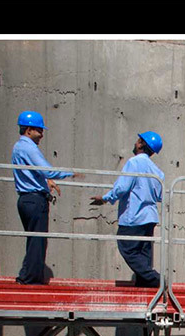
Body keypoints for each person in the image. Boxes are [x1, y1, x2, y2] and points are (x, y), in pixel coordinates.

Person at [89, 131, 165, 288]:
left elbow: (122, 188)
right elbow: (159, 196)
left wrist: (105, 198)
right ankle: (145, 286)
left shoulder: (134, 162)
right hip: (149, 217)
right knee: (143, 255)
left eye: (138, 140)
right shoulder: (157, 171)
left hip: (134, 216)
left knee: (128, 248)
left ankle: (156, 279)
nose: (135, 143)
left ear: (141, 144)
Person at [11, 110, 75, 284]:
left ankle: (32, 276)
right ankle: (28, 278)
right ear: (29, 130)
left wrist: (47, 181)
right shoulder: (28, 148)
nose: (41, 135)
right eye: (39, 130)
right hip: (34, 199)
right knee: (37, 241)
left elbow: (31, 174)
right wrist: (71, 174)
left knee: (35, 240)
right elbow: (47, 170)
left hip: (28, 198)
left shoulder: (20, 147)